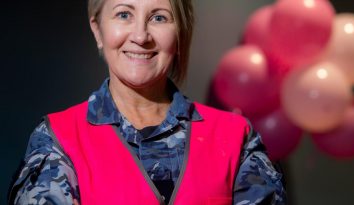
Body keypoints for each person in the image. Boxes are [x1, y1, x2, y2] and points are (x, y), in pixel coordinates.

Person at [8, 0, 286, 204]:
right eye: (124, 14)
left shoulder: (237, 138)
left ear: (180, 33)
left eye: (159, 18)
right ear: (97, 29)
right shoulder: (57, 138)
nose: (141, 36)